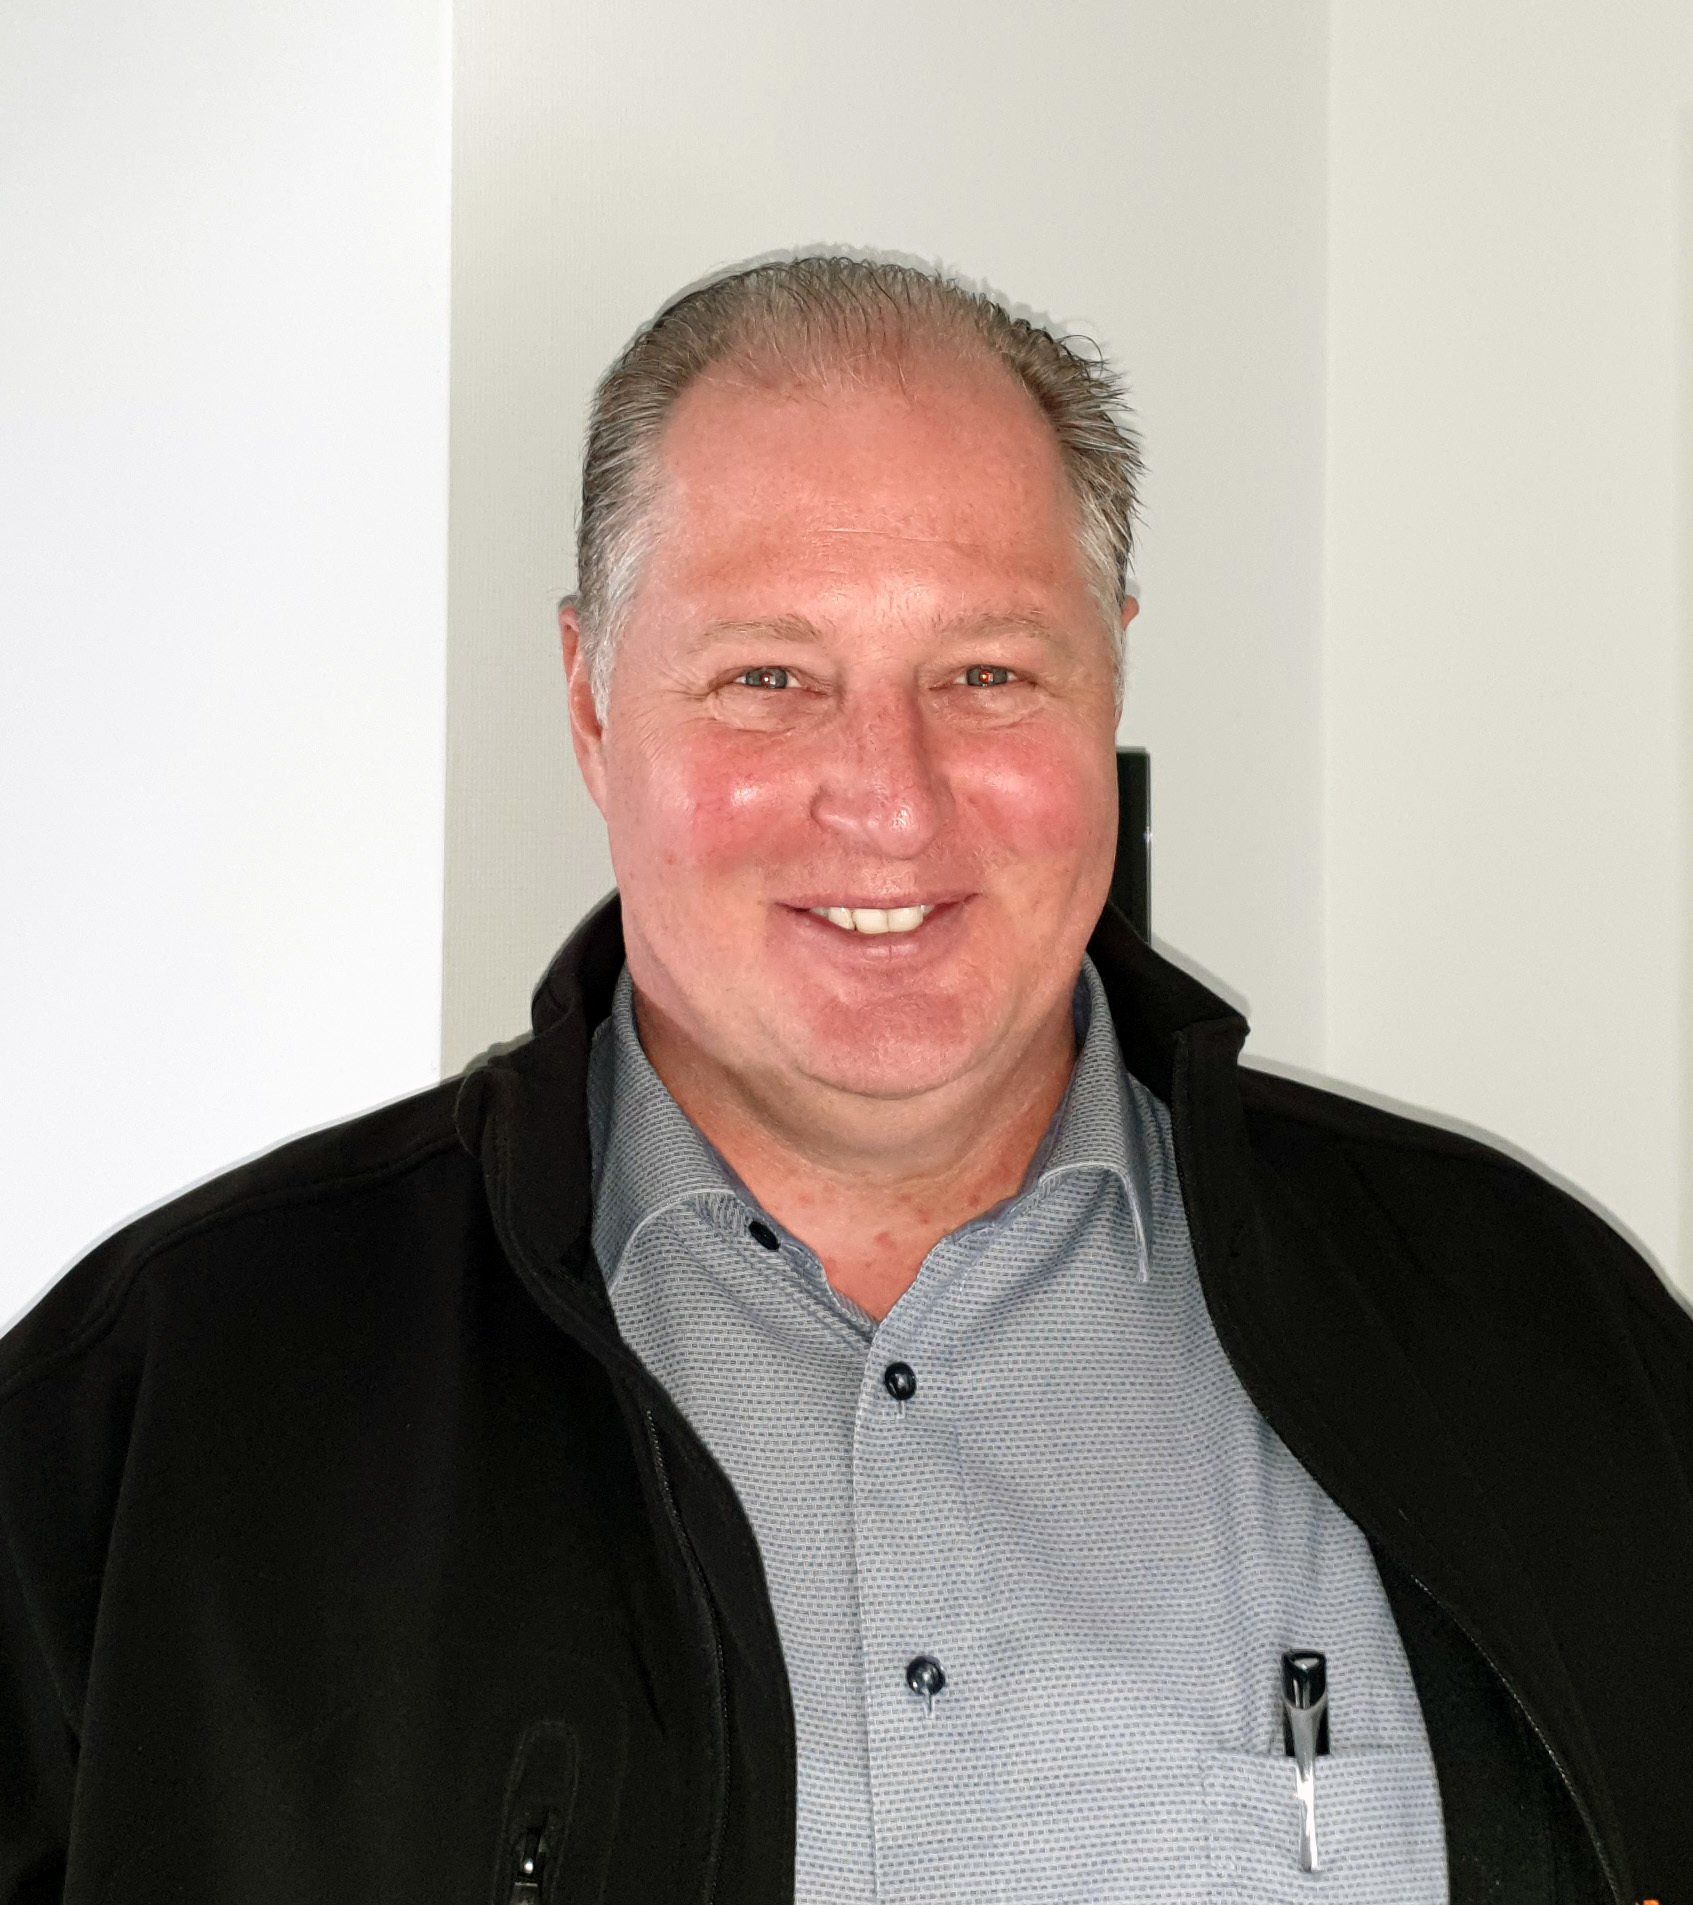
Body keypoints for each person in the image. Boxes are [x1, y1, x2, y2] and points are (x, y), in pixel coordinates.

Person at [0, 254, 1686, 1905]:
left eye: (986, 674)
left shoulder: (1542, 1339)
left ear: (1108, 677)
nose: (888, 796)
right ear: (589, 703)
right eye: (767, 679)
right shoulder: (158, 1418)